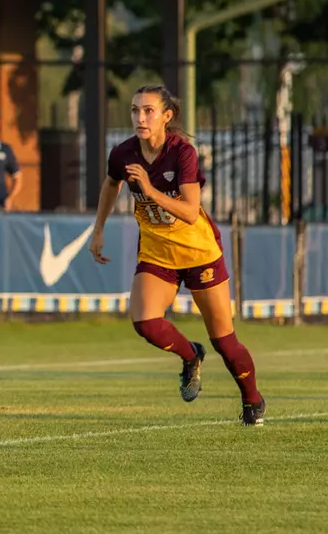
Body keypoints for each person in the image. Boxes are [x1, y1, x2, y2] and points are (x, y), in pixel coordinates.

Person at [89, 84, 265, 426]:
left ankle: (252, 400)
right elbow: (112, 183)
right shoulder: (124, 154)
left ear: (166, 117)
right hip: (157, 252)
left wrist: (151, 190)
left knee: (226, 343)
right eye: (135, 110)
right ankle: (190, 355)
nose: (140, 117)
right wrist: (98, 229)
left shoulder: (182, 153)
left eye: (148, 110)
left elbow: (189, 211)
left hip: (199, 253)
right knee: (145, 323)